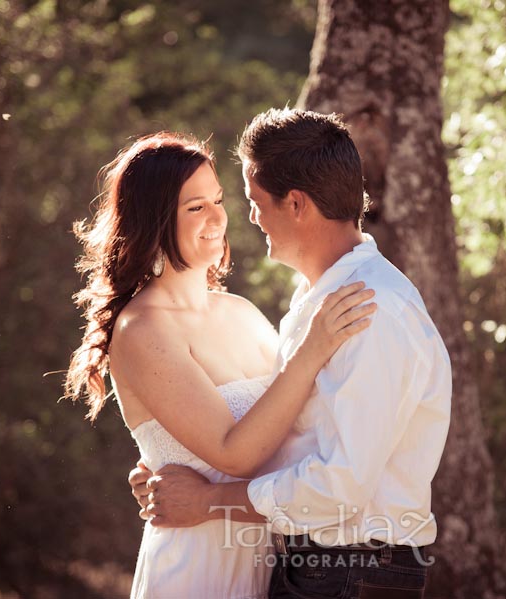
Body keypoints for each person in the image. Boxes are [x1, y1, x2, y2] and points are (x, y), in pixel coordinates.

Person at [129, 109, 452, 598]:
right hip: (310, 566)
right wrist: (168, 467)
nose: (247, 216)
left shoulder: (370, 310)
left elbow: (338, 488)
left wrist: (210, 499)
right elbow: (280, 429)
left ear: (296, 203)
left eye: (254, 201)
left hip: (352, 570)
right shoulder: (316, 303)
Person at [63, 131, 378, 599]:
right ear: (153, 220)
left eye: (218, 200)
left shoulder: (241, 312)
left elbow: (295, 420)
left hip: (272, 559)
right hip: (198, 566)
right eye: (195, 207)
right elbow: (235, 452)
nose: (217, 218)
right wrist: (314, 348)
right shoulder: (142, 330)